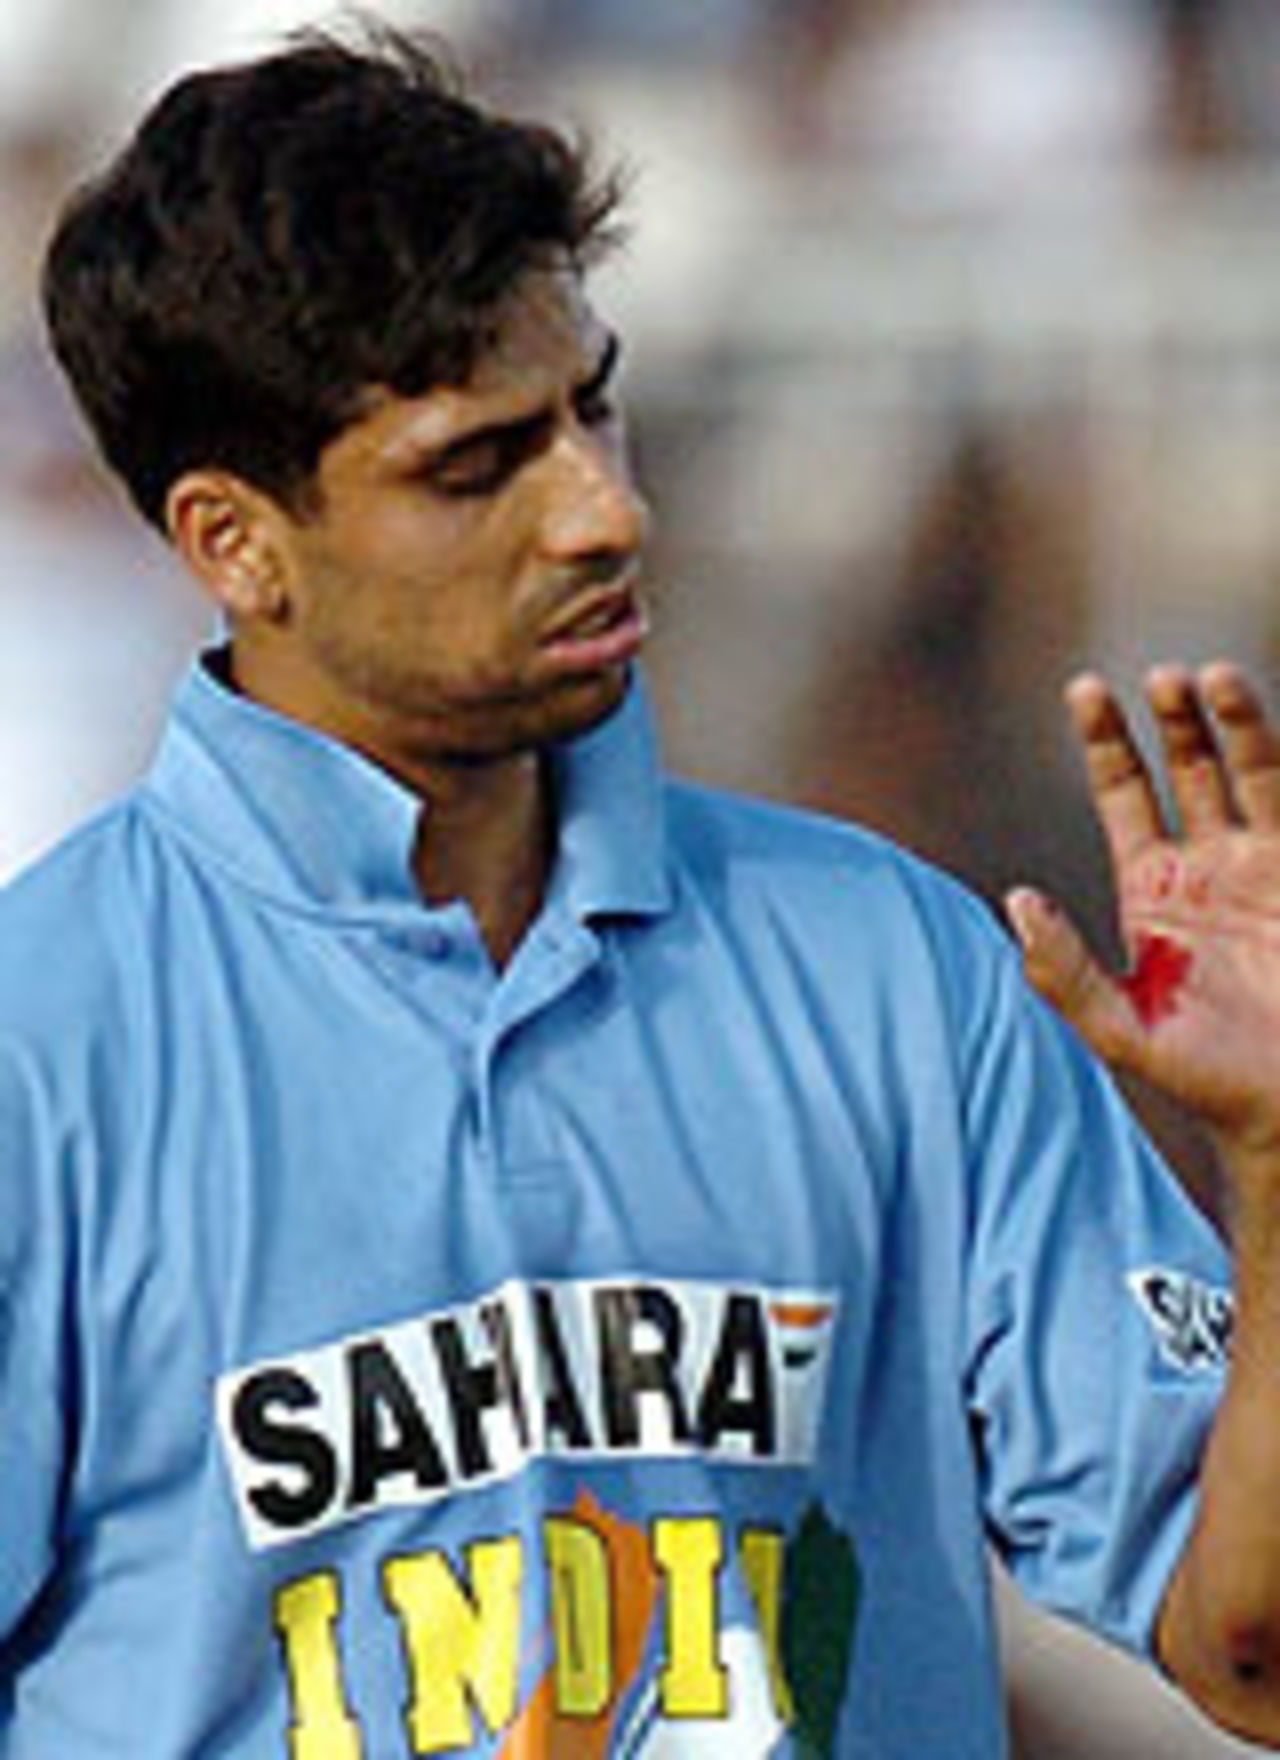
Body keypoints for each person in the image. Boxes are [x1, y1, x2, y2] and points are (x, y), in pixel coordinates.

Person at [4, 25, 1280, 1758]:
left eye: (590, 408)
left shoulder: (898, 971)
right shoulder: (43, 1055)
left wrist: (1277, 1170)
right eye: (478, 467)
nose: (603, 511)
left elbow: (1252, 1655)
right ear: (234, 540)